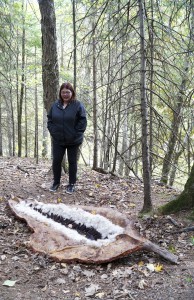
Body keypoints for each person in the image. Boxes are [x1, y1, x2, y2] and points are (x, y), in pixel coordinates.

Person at [47, 82, 87, 194]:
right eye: (63, 92)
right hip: (58, 140)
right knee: (56, 161)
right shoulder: (55, 105)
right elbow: (50, 120)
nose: (65, 94)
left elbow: (83, 121)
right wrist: (54, 132)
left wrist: (75, 134)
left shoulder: (78, 105)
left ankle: (72, 184)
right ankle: (56, 182)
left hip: (73, 140)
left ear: (72, 93)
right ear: (60, 93)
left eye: (68, 92)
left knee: (72, 162)